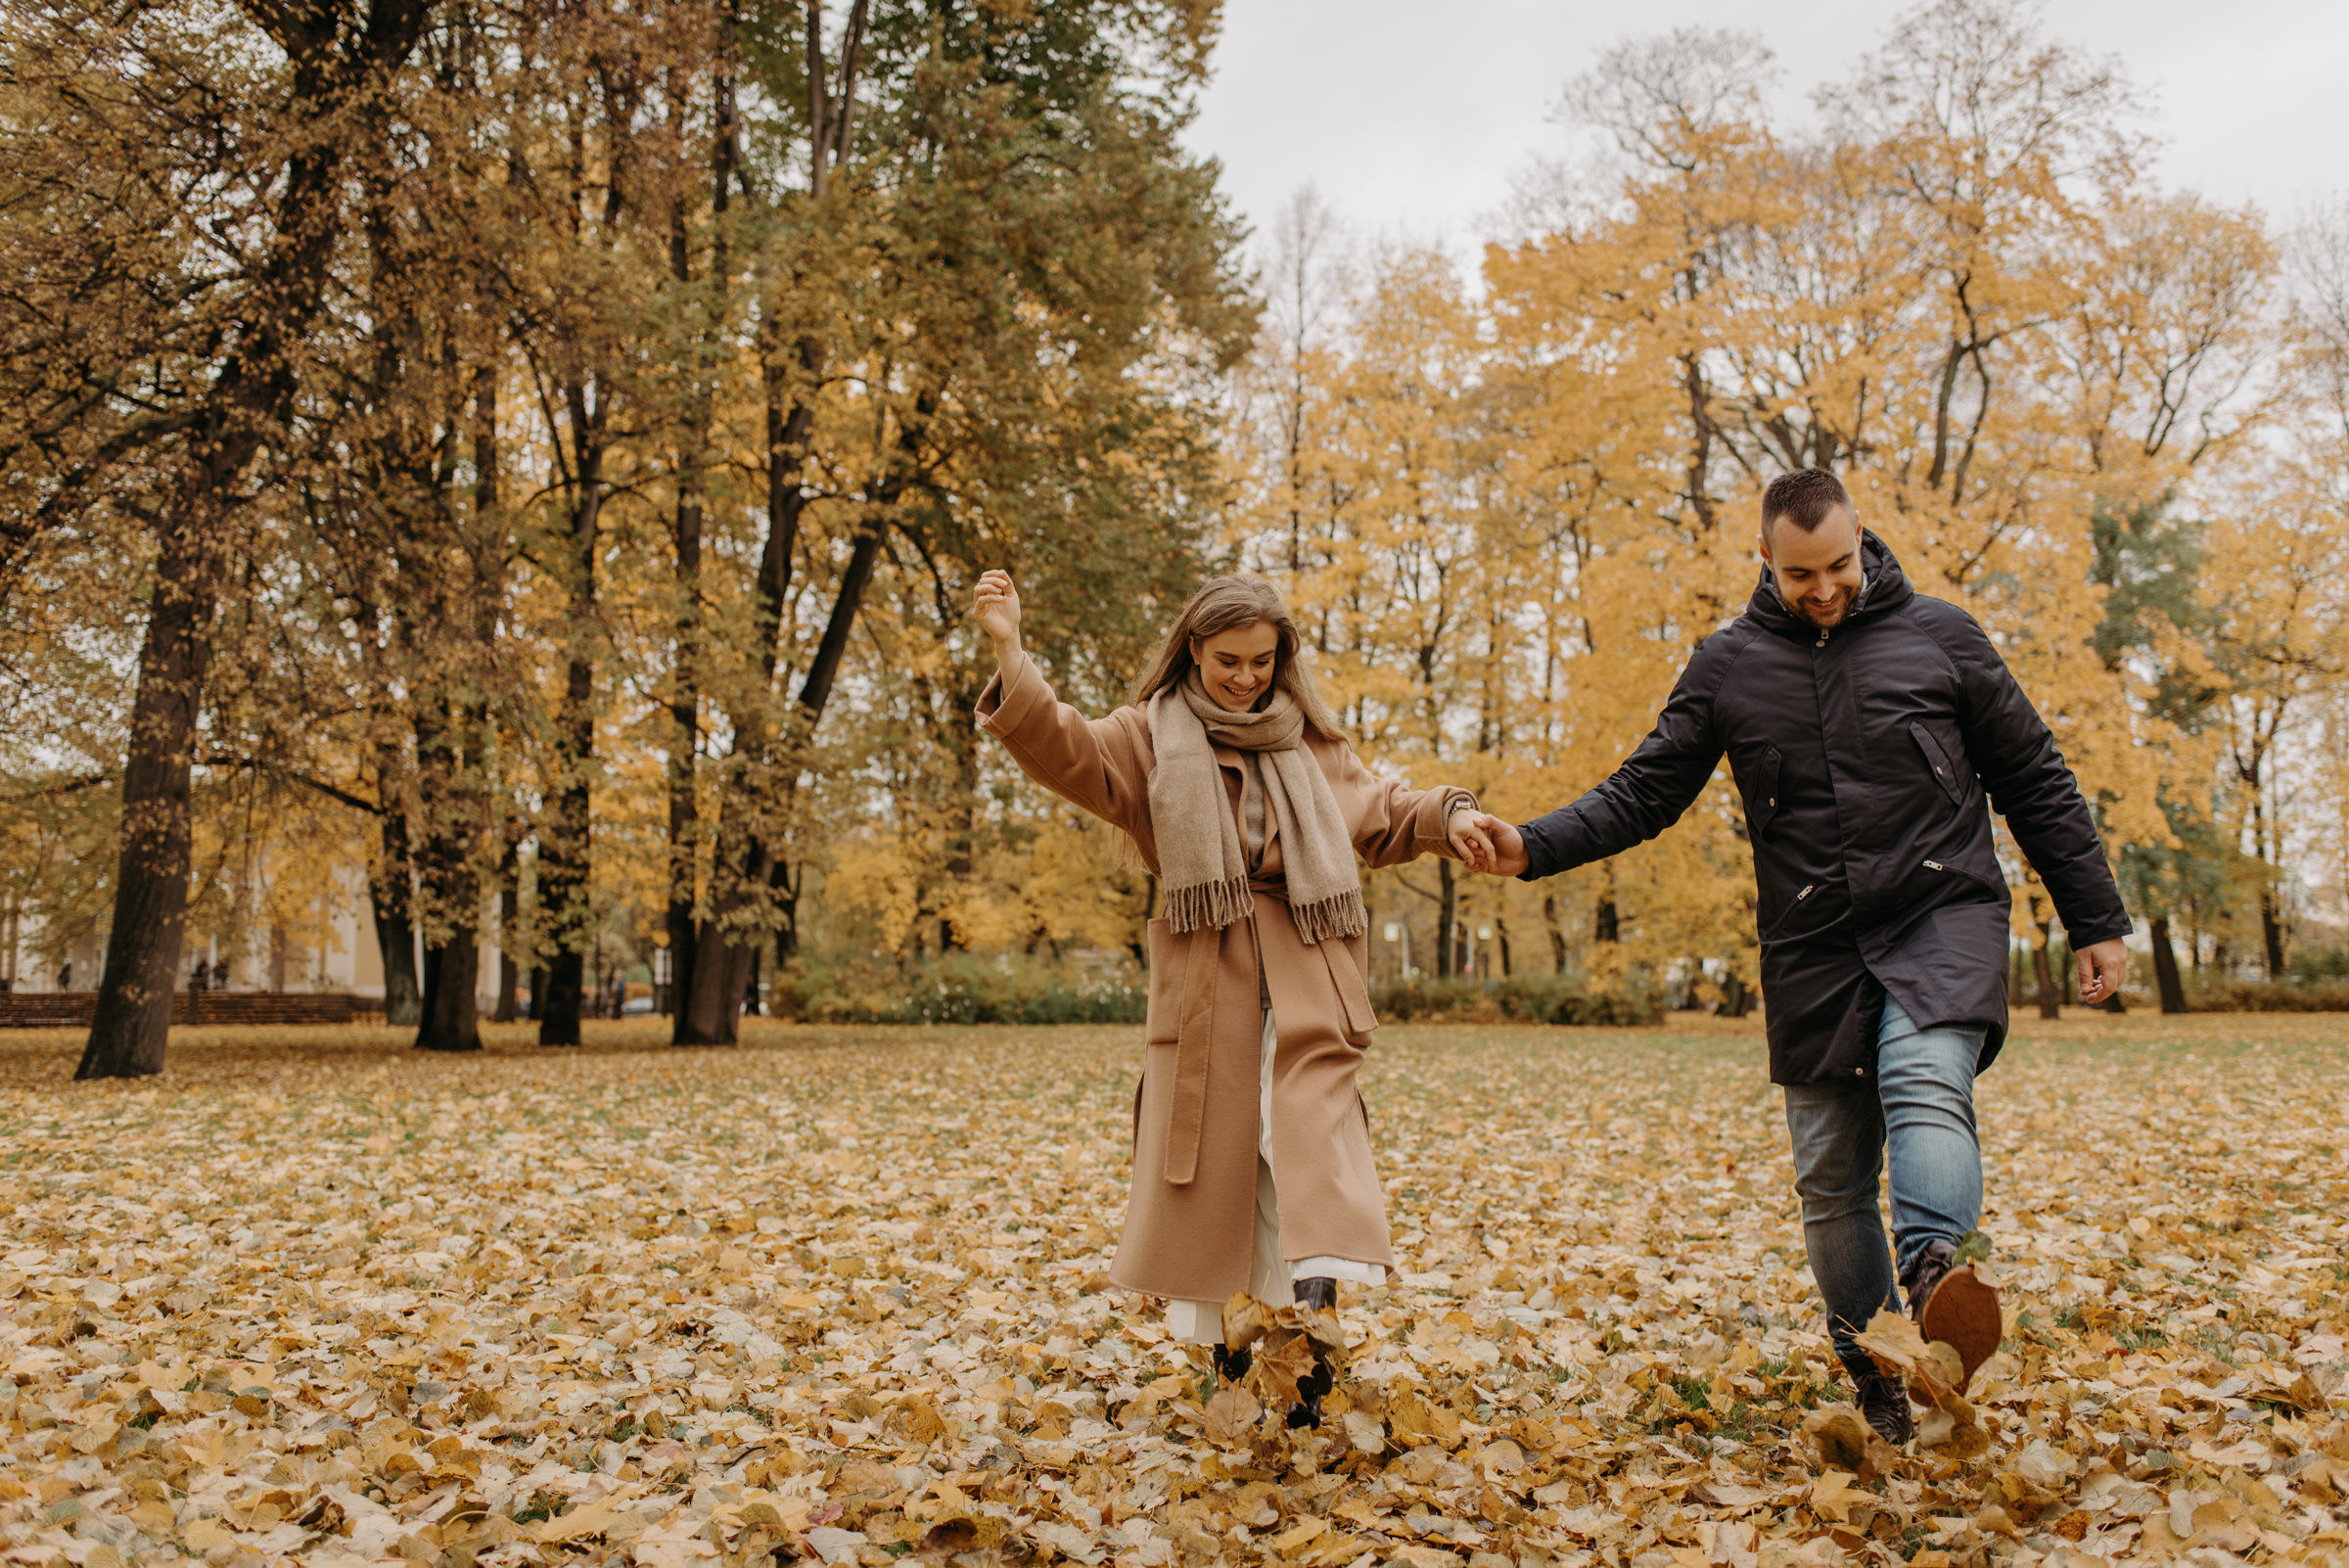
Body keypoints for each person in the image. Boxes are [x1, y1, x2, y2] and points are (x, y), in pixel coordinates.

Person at [1466, 470, 2131, 1442]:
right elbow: (1644, 791)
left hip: (1941, 908)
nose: (1823, 589)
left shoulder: (1942, 637)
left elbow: (2035, 776)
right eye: (1799, 574)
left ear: (1863, 539)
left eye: (1837, 566)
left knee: (1925, 1076)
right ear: (1763, 561)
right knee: (1830, 1176)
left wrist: (2096, 917)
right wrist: (1532, 844)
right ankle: (1874, 1375)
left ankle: (1937, 1277)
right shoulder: (1729, 666)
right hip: (1814, 943)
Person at [973, 569, 1492, 1427]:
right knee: (1221, 1179)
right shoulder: (1147, 739)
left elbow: (1386, 811)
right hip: (1207, 986)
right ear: (1192, 653)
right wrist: (1009, 647)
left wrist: (1455, 815)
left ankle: (1310, 1367)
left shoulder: (1310, 744)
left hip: (1310, 987)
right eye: (1226, 662)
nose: (1246, 678)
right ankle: (1236, 1365)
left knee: (1303, 1173)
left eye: (1261, 660)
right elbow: (1062, 746)